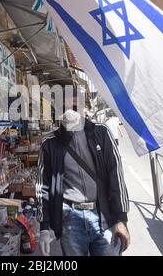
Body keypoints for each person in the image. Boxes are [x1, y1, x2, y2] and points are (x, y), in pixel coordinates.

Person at [37, 91, 130, 256]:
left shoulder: (101, 133)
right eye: (65, 107)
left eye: (74, 106)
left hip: (104, 217)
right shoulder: (50, 143)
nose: (70, 110)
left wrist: (121, 218)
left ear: (83, 107)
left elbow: (116, 175)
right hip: (70, 221)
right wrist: (44, 226)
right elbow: (43, 186)